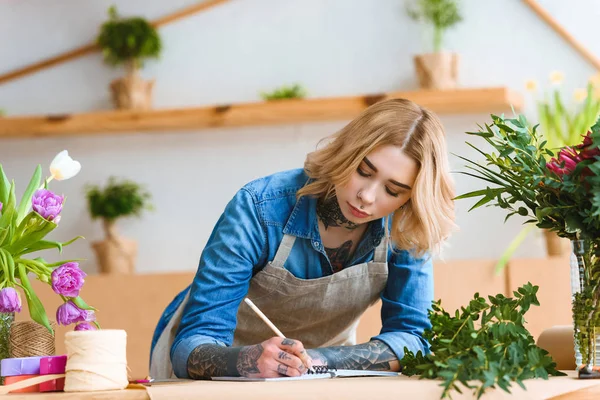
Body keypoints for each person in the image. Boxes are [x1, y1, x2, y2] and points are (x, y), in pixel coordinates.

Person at [149, 98, 456, 380]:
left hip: (320, 373)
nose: (367, 196)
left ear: (411, 197)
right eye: (363, 171)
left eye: (393, 190)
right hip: (224, 368)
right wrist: (248, 361)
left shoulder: (407, 227)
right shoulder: (260, 207)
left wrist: (318, 360)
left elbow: (413, 339)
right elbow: (194, 343)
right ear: (347, 152)